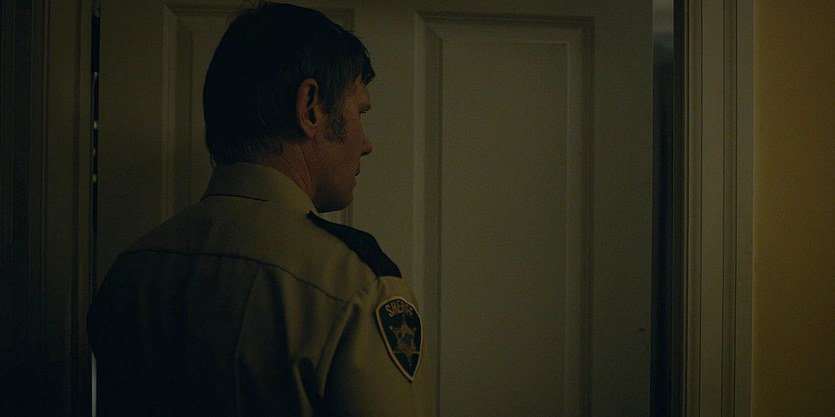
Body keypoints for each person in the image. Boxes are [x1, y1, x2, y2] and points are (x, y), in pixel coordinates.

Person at [87, 3, 435, 416]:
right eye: (359, 112)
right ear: (311, 108)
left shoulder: (131, 272)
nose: (366, 143)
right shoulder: (356, 287)